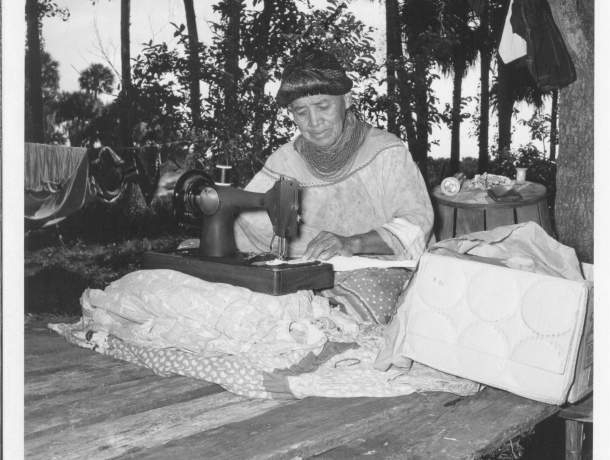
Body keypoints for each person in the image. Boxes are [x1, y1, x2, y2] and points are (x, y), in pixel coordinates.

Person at [232, 49, 434, 323]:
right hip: (312, 271)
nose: (314, 123)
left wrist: (352, 243)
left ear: (346, 100)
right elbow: (248, 219)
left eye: (323, 107)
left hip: (384, 269)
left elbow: (416, 223)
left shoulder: (386, 151)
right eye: (301, 112)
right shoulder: (284, 162)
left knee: (367, 302)